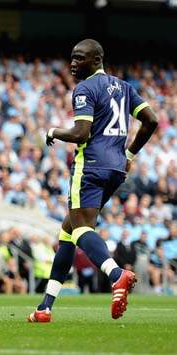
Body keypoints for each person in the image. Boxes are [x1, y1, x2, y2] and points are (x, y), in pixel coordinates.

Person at [28, 39, 158, 322]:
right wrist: (130, 155)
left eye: (79, 58)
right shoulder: (125, 88)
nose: (73, 63)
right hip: (116, 169)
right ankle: (44, 307)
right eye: (72, 58)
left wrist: (52, 131)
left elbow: (81, 133)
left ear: (97, 59)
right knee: (68, 231)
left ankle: (116, 274)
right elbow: (151, 120)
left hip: (90, 167)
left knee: (80, 229)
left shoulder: (85, 88)